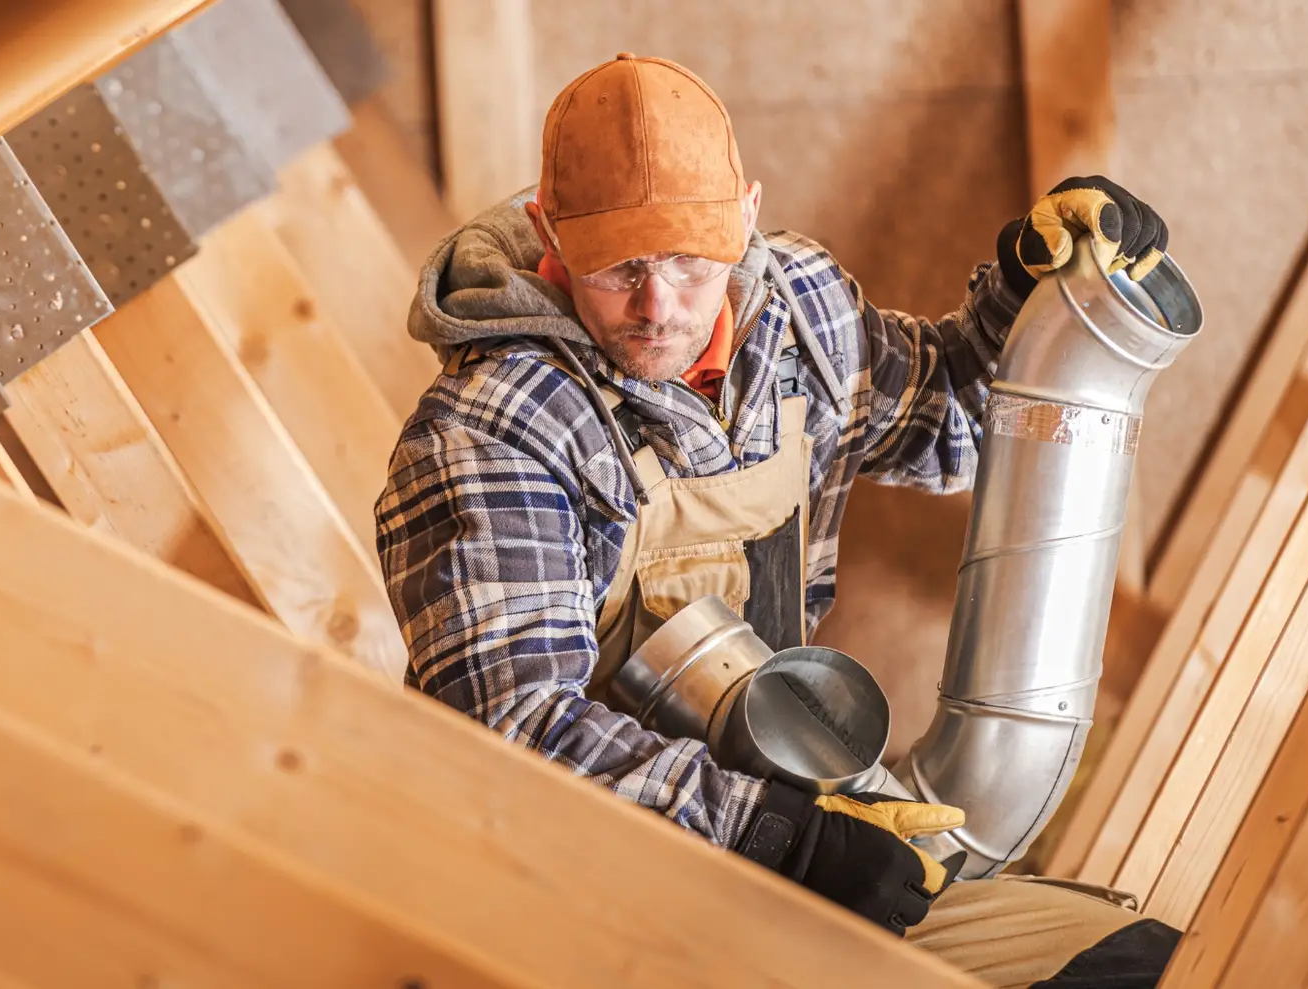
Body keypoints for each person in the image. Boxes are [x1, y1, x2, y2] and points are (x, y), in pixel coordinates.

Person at [376, 51, 1178, 986]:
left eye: (688, 258)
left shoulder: (799, 312)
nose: (658, 308)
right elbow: (514, 737)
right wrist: (772, 835)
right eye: (619, 268)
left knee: (1136, 966)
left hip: (785, 828)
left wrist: (1025, 299)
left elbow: (947, 421)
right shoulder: (493, 431)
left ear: (746, 213)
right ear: (547, 231)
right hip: (575, 903)